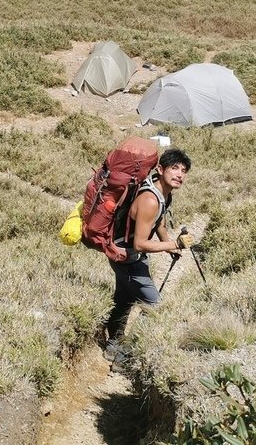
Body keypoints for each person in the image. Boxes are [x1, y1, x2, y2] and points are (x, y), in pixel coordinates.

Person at [104, 148, 193, 359]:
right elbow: (141, 243)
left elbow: (159, 222)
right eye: (174, 168)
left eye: (183, 170)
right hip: (127, 257)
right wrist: (175, 244)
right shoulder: (150, 200)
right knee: (154, 306)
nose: (179, 174)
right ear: (160, 169)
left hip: (124, 254)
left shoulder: (162, 193)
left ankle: (112, 346)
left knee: (124, 300)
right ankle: (127, 353)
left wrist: (167, 245)